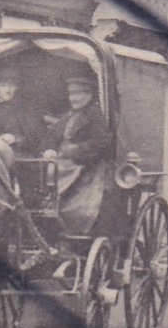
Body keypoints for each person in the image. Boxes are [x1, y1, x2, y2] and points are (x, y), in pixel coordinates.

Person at [39, 74, 113, 236]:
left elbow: (103, 142)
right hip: (64, 161)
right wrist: (49, 149)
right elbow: (51, 136)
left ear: (89, 95)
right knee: (41, 167)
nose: (74, 98)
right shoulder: (69, 116)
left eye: (78, 94)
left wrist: (74, 150)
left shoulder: (95, 116)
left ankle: (50, 201)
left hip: (85, 164)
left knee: (54, 171)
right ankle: (41, 202)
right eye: (71, 94)